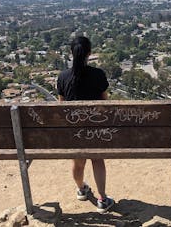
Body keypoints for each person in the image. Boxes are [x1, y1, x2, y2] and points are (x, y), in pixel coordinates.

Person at [57, 36, 115, 213]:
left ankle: (82, 189)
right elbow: (105, 103)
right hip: (96, 131)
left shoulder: (63, 77)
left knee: (78, 161)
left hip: (74, 133)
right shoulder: (98, 75)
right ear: (89, 53)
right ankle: (103, 199)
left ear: (71, 53)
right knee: (97, 159)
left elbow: (61, 107)